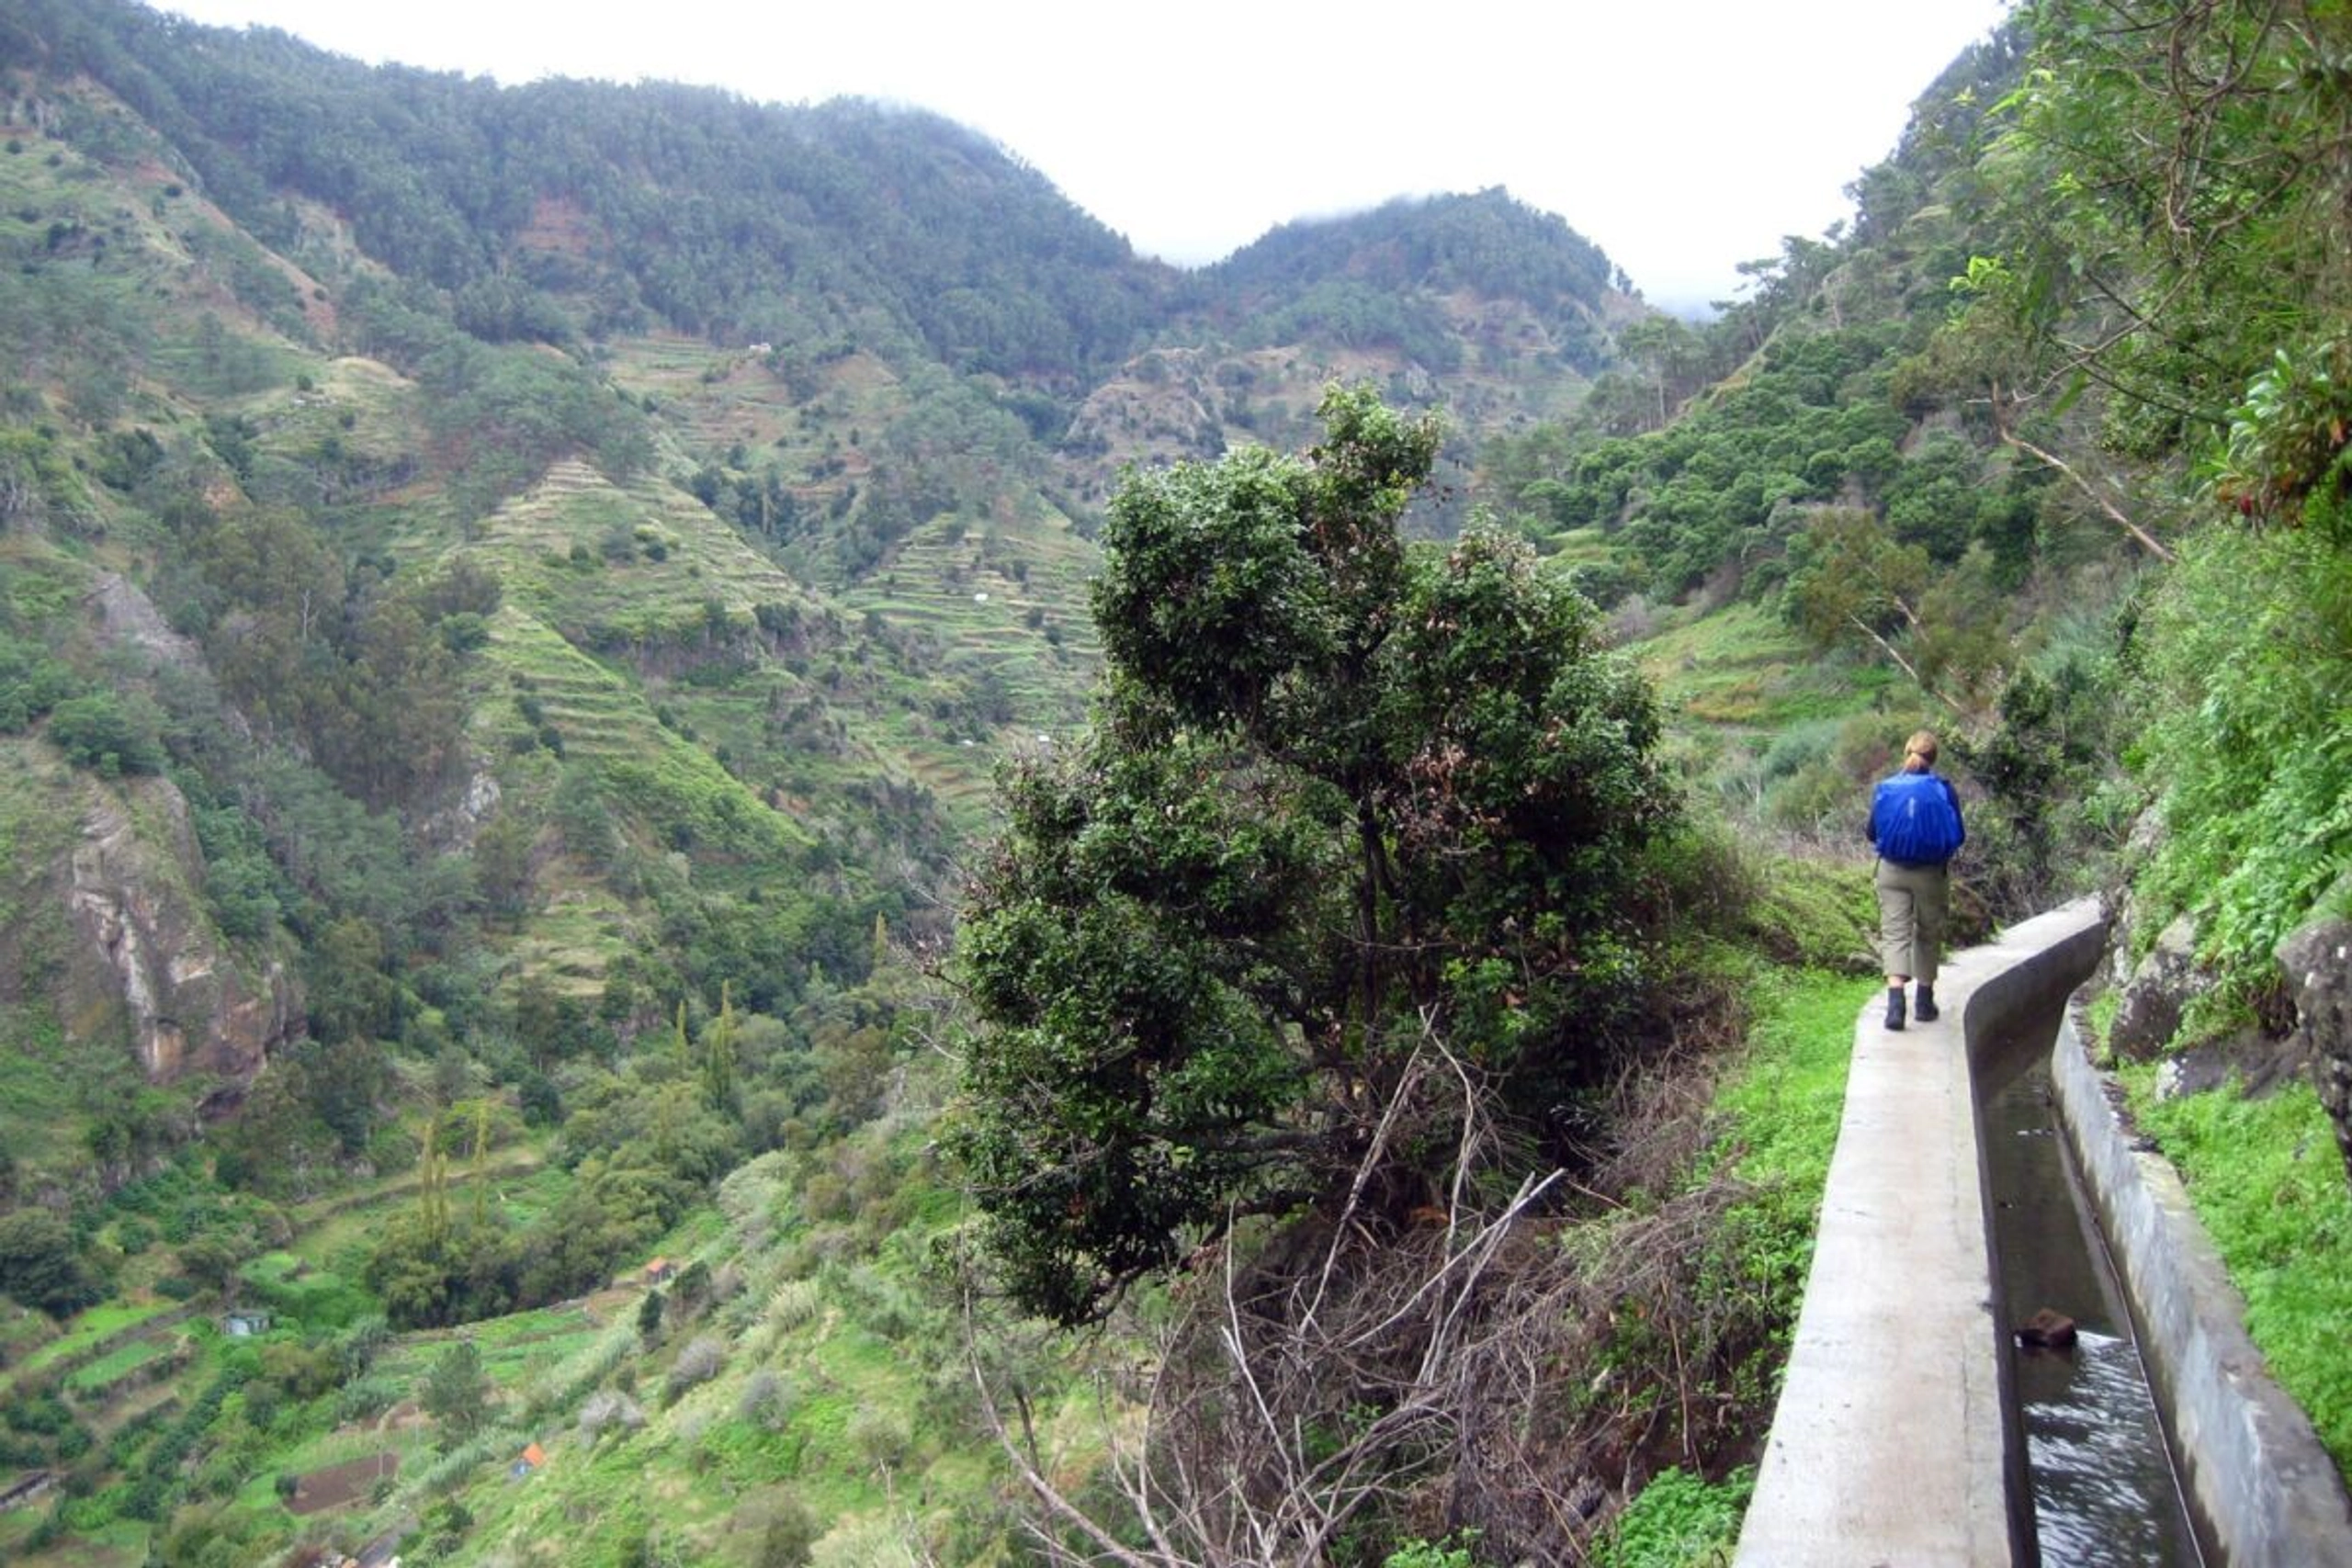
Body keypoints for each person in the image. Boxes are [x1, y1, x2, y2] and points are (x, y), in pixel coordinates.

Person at [1866, 728, 1965, 1030]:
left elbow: (1871, 832)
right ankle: (1924, 1002)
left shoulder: (1886, 787)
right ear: (1933, 758)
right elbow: (1958, 834)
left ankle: (1895, 1007)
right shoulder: (1944, 789)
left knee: (1894, 933)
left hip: (1892, 870)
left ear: (1906, 753)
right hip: (1931, 873)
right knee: (1928, 932)